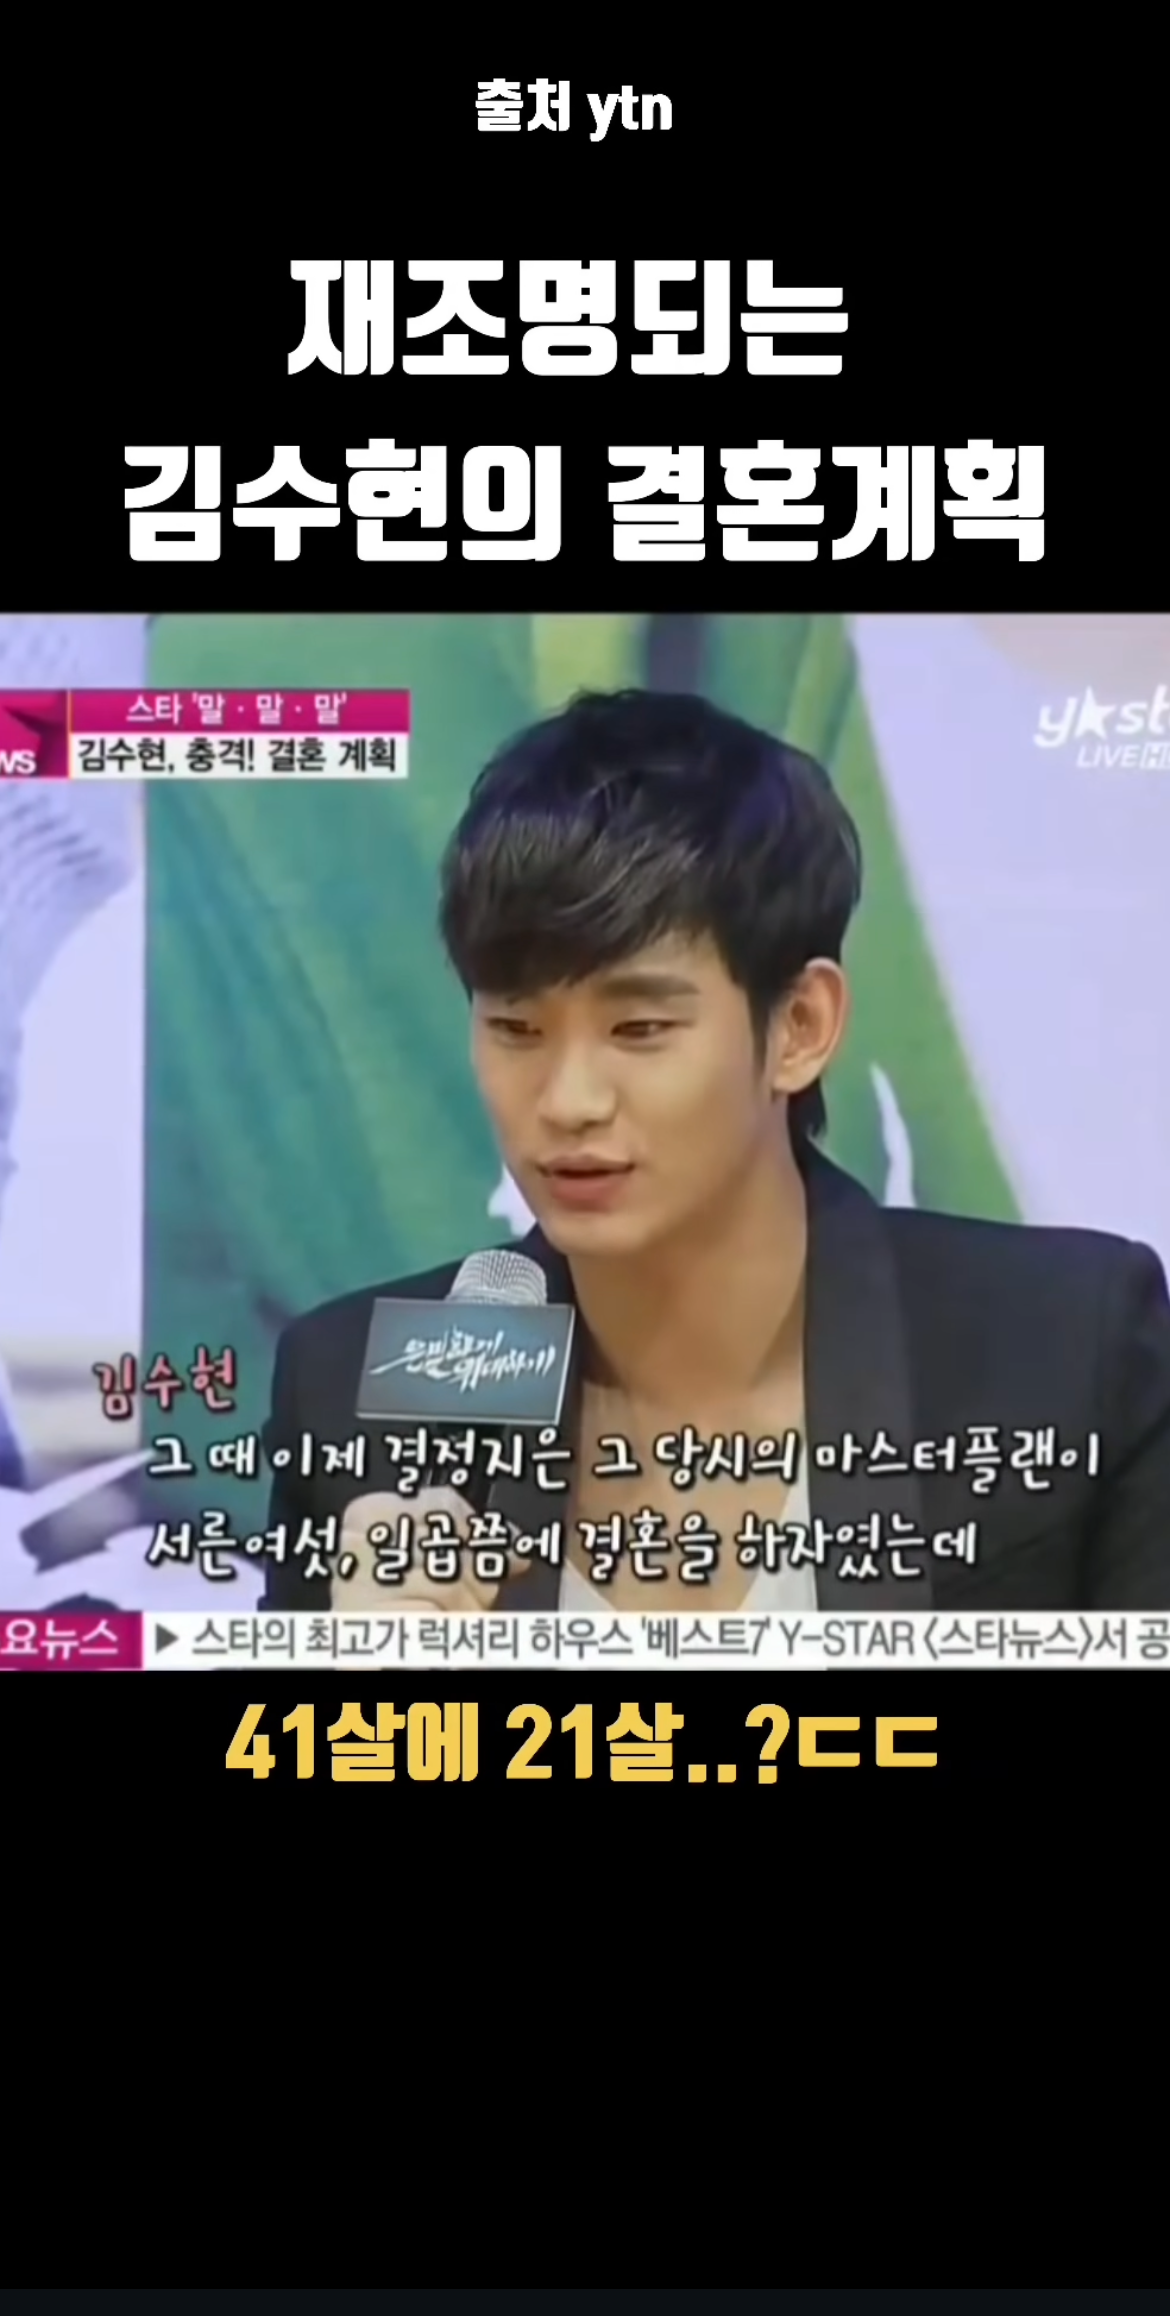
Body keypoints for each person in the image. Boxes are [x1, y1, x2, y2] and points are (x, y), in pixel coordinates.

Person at [261, 688, 1170, 1614]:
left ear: (800, 1027)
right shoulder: (357, 1396)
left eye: (640, 1028)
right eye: (516, 1029)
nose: (568, 1102)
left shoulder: (1064, 1351)